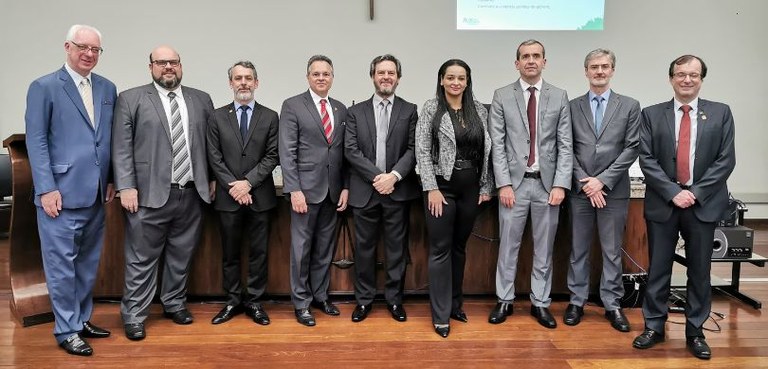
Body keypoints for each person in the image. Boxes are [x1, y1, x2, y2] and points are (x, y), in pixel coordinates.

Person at [633, 55, 735, 360]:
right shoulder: (651, 114)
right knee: (658, 268)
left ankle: (695, 331)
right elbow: (646, 158)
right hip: (664, 203)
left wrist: (695, 193)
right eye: (680, 74)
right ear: (671, 79)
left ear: (702, 79)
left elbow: (725, 160)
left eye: (693, 75)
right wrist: (673, 192)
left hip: (702, 204)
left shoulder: (721, 113)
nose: (686, 80)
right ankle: (654, 326)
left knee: (700, 271)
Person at [25, 24, 116, 356]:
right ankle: (66, 329)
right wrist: (46, 188)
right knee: (62, 267)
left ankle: (81, 318)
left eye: (95, 49)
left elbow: (107, 140)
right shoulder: (44, 87)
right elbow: (36, 141)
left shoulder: (107, 88)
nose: (89, 54)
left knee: (87, 264)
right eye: (82, 47)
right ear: (67, 46)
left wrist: (110, 179)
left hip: (95, 193)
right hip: (59, 195)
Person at [112, 45, 215, 340]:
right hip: (147, 195)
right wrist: (126, 185)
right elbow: (120, 147)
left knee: (181, 256)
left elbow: (209, 145)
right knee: (140, 259)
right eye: (161, 62)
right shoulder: (130, 99)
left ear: (181, 65)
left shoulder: (201, 99)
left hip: (191, 193)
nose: (168, 67)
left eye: (173, 62)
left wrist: (212, 179)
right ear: (151, 67)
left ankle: (174, 303)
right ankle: (133, 314)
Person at [488, 39, 572, 329]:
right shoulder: (501, 95)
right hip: (515, 185)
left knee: (544, 248)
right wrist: (503, 184)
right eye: (525, 56)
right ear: (517, 63)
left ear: (544, 62)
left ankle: (540, 302)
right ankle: (504, 299)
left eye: (536, 56)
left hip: (548, 186)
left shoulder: (559, 96)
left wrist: (561, 183)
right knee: (508, 247)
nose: (531, 60)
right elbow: (497, 145)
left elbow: (565, 144)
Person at [415, 59, 492, 338]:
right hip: (441, 189)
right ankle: (440, 314)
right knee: (440, 249)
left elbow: (487, 153)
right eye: (450, 77)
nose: (455, 82)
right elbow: (422, 151)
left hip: (471, 187)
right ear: (441, 80)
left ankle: (455, 304)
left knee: (459, 248)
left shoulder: (480, 111)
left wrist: (486, 186)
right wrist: (431, 188)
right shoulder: (431, 108)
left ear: (467, 81)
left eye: (461, 78)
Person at [565, 48, 640, 332]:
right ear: (586, 71)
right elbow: (566, 147)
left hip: (613, 191)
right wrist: (586, 181)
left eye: (604, 67)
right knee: (578, 249)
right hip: (580, 190)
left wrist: (602, 180)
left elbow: (631, 147)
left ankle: (612, 304)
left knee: (611, 251)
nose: (599, 71)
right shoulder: (571, 106)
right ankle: (577, 301)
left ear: (612, 70)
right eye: (594, 67)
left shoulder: (630, 105)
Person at [344, 54, 419, 323]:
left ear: (398, 77)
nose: (386, 77)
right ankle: (363, 301)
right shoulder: (355, 112)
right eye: (380, 72)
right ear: (372, 76)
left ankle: (394, 300)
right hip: (366, 192)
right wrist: (379, 178)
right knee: (364, 250)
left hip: (398, 192)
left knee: (396, 250)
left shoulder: (410, 110)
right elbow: (351, 151)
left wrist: (394, 176)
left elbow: (413, 149)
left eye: (391, 73)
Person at [207, 61, 279, 326]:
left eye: (249, 78)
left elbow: (273, 155)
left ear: (256, 83)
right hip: (228, 198)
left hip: (260, 197)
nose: (244, 83)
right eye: (238, 78)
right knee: (230, 252)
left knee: (260, 253)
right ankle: (232, 300)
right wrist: (234, 187)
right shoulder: (216, 116)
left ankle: (255, 302)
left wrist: (247, 183)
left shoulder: (271, 116)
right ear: (231, 83)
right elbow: (214, 157)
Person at [279, 55, 349, 327]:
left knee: (323, 249)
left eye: (326, 74)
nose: (321, 78)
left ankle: (320, 296)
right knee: (301, 250)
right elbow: (287, 151)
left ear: (332, 77)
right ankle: (301, 303)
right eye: (316, 73)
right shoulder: (293, 105)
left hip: (332, 192)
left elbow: (344, 153)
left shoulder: (341, 109)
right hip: (305, 193)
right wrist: (294, 189)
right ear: (308, 77)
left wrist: (345, 186)